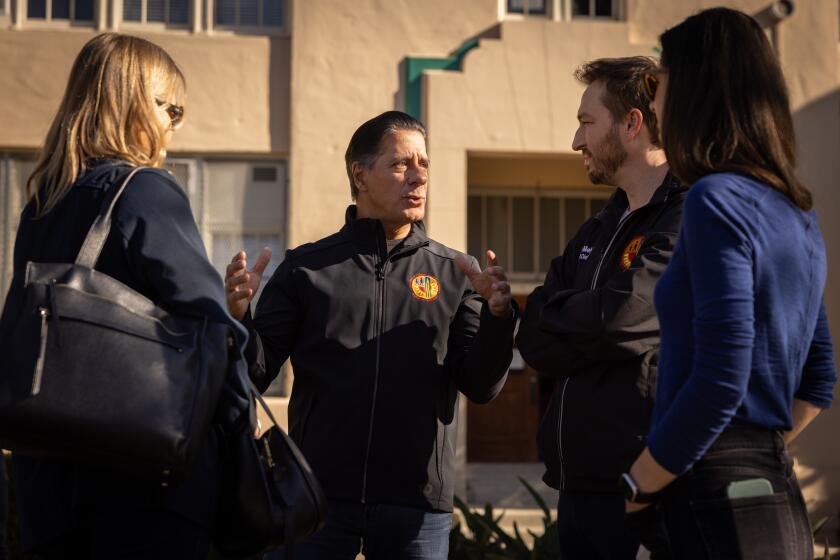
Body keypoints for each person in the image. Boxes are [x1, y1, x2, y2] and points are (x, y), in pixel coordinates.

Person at [0, 33, 252, 558]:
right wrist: (239, 438)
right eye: (170, 108)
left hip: (50, 484)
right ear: (133, 103)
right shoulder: (145, 190)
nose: (172, 125)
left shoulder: (42, 204)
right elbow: (209, 332)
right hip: (146, 485)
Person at [225, 110, 517, 560]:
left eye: (425, 164)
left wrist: (499, 319)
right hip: (318, 496)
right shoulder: (307, 268)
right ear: (360, 174)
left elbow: (480, 385)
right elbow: (255, 373)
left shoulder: (456, 273)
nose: (418, 177)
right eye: (401, 164)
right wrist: (239, 316)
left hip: (417, 504)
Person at [623, 8, 837, 560]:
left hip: (708, 499)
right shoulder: (796, 212)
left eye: (657, 81)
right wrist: (755, 453)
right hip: (775, 496)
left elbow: (722, 377)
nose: (652, 100)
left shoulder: (713, 199)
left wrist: (638, 484)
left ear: (695, 90)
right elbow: (818, 381)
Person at [515, 57, 684, 559]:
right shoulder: (596, 228)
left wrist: (572, 318)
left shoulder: (689, 214)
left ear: (633, 123)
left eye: (587, 123)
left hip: (644, 489)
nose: (576, 141)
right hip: (576, 488)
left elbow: (623, 314)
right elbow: (534, 338)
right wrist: (591, 323)